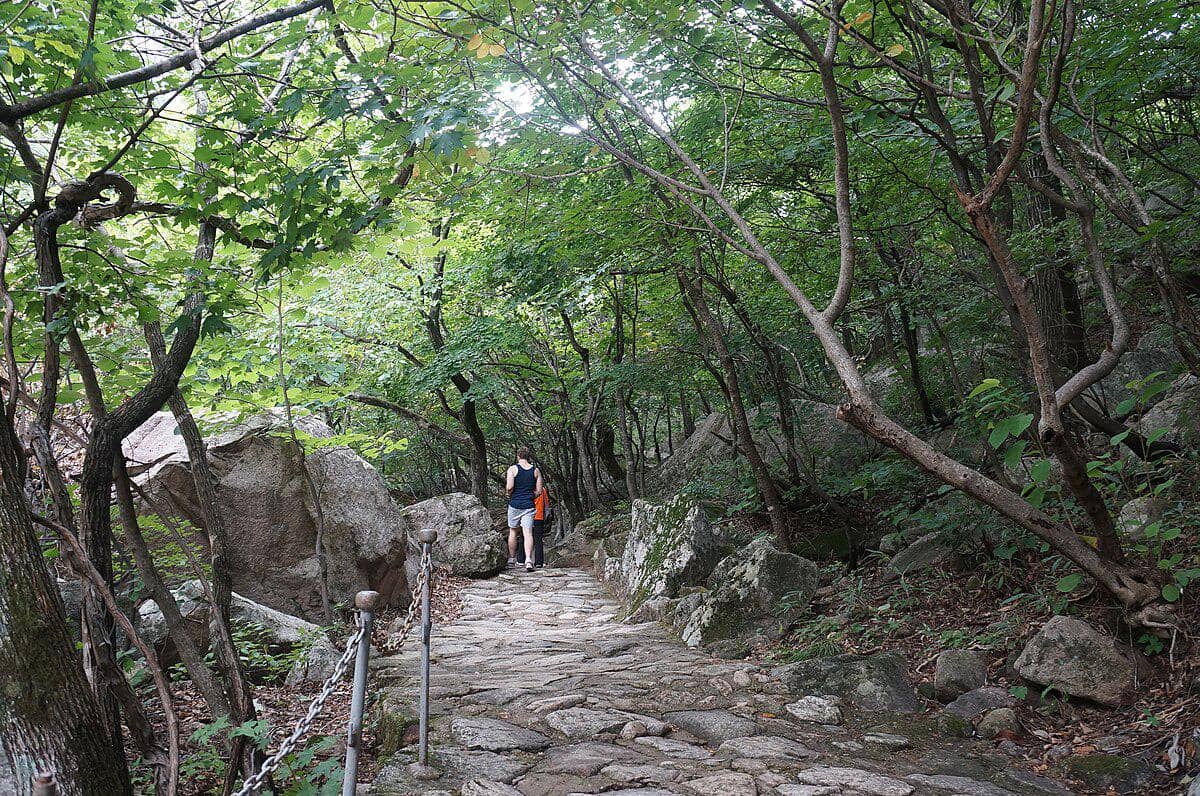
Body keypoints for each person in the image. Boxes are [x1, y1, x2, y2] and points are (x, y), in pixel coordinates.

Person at [506, 447, 543, 572]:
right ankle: (528, 560)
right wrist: (530, 496)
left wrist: (509, 494)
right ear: (529, 457)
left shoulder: (512, 469)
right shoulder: (536, 471)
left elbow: (510, 487)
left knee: (513, 531)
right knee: (528, 533)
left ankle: (512, 559)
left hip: (515, 505)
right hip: (529, 506)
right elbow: (539, 491)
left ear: (518, 456)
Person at [517, 480, 551, 568]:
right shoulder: (542, 490)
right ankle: (539, 562)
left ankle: (521, 560)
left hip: (526, 516)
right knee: (538, 540)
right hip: (539, 517)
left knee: (523, 537)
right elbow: (546, 504)